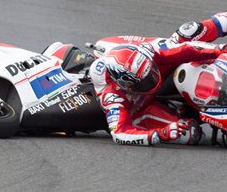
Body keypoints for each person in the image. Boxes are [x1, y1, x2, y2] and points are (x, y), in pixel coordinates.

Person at [90, 30, 227, 146]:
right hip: (140, 109)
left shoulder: (149, 50)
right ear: (124, 84)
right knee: (190, 134)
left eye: (151, 73)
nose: (151, 79)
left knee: (188, 33)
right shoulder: (112, 96)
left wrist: (218, 49)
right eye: (144, 81)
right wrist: (159, 134)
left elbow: (185, 48)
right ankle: (199, 113)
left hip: (162, 71)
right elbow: (120, 134)